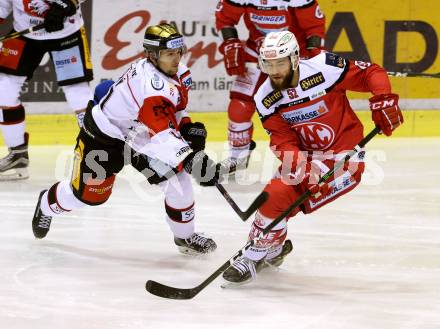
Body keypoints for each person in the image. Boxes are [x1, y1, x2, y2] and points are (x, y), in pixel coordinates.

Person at [222, 31, 403, 284]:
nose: (273, 70)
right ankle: (270, 250)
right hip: (307, 158)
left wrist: (383, 100)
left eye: (280, 63)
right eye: (268, 64)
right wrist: (303, 168)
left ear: (295, 58)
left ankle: (255, 255)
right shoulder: (265, 97)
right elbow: (282, 140)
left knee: (280, 199)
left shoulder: (323, 69)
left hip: (344, 158)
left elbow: (371, 73)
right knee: (273, 199)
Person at [31, 23, 223, 255]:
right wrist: (192, 158)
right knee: (87, 198)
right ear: (152, 56)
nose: (176, 59)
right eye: (169, 54)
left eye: (179, 52)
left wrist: (187, 126)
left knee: (178, 182)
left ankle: (185, 236)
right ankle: (46, 204)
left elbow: (175, 109)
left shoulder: (180, 73)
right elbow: (163, 134)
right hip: (105, 136)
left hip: (141, 138)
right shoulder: (150, 86)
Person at [215, 0, 325, 174]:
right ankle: (238, 157)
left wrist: (313, 57)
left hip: (292, 56)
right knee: (239, 106)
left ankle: (305, 158)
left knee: (300, 108)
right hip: (257, 53)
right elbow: (225, 19)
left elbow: (314, 28)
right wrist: (230, 43)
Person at [0, 0, 93, 180]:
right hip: (25, 33)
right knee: (3, 89)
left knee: (77, 93)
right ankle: (17, 154)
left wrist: (69, 4)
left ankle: (95, 153)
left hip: (66, 33)